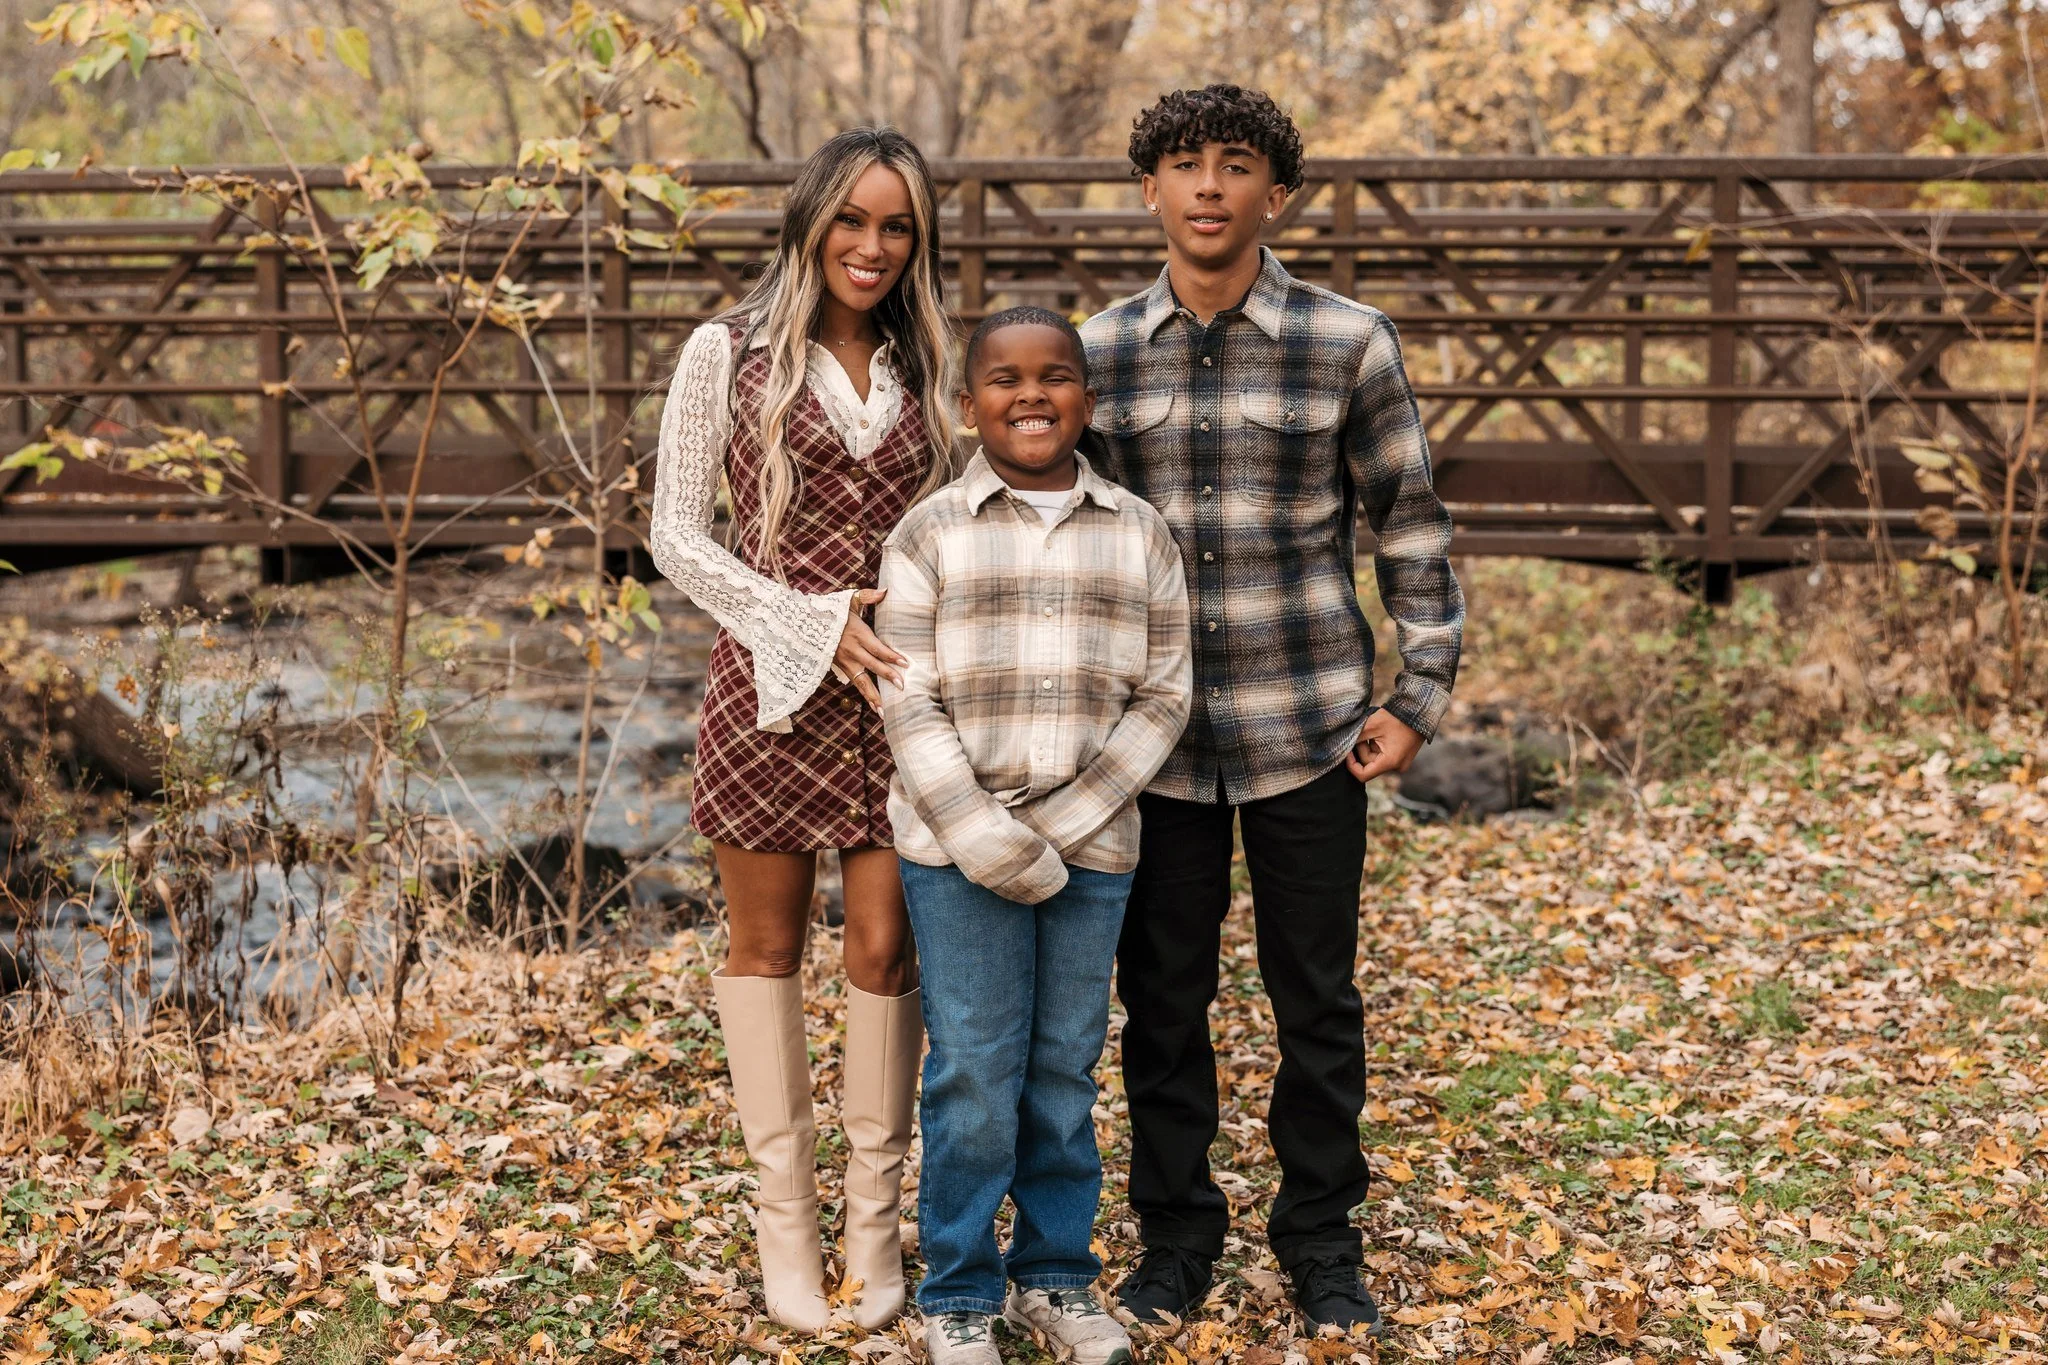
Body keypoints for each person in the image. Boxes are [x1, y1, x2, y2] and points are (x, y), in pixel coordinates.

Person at [1080, 85, 1466, 1335]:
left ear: (1274, 195)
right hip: (1151, 742)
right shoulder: (1088, 355)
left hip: (1308, 729)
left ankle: (1318, 1239)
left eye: (1234, 167)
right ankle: (1175, 1239)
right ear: (1148, 189)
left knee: (1318, 999)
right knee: (1163, 1000)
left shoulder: (1347, 340)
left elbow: (1408, 524)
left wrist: (1418, 694)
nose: (1207, 187)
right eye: (1182, 164)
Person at [647, 126, 956, 1334]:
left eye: (896, 227)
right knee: (765, 951)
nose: (871, 248)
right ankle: (788, 1232)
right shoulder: (722, 352)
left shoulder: (930, 356)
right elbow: (679, 535)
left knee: (885, 953)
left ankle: (874, 1232)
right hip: (767, 698)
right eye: (852, 221)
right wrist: (807, 624)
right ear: (809, 220)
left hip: (898, 704)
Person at [875, 308, 1193, 1365]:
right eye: (1003, 379)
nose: (1030, 395)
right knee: (970, 1073)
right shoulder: (927, 535)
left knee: (1062, 1069)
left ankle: (1053, 1279)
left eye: (1054, 376)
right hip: (953, 852)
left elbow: (1161, 698)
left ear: (1086, 402)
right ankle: (956, 1293)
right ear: (967, 407)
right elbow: (906, 705)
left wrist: (1050, 830)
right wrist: (985, 837)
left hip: (1090, 849)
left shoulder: (1137, 531)